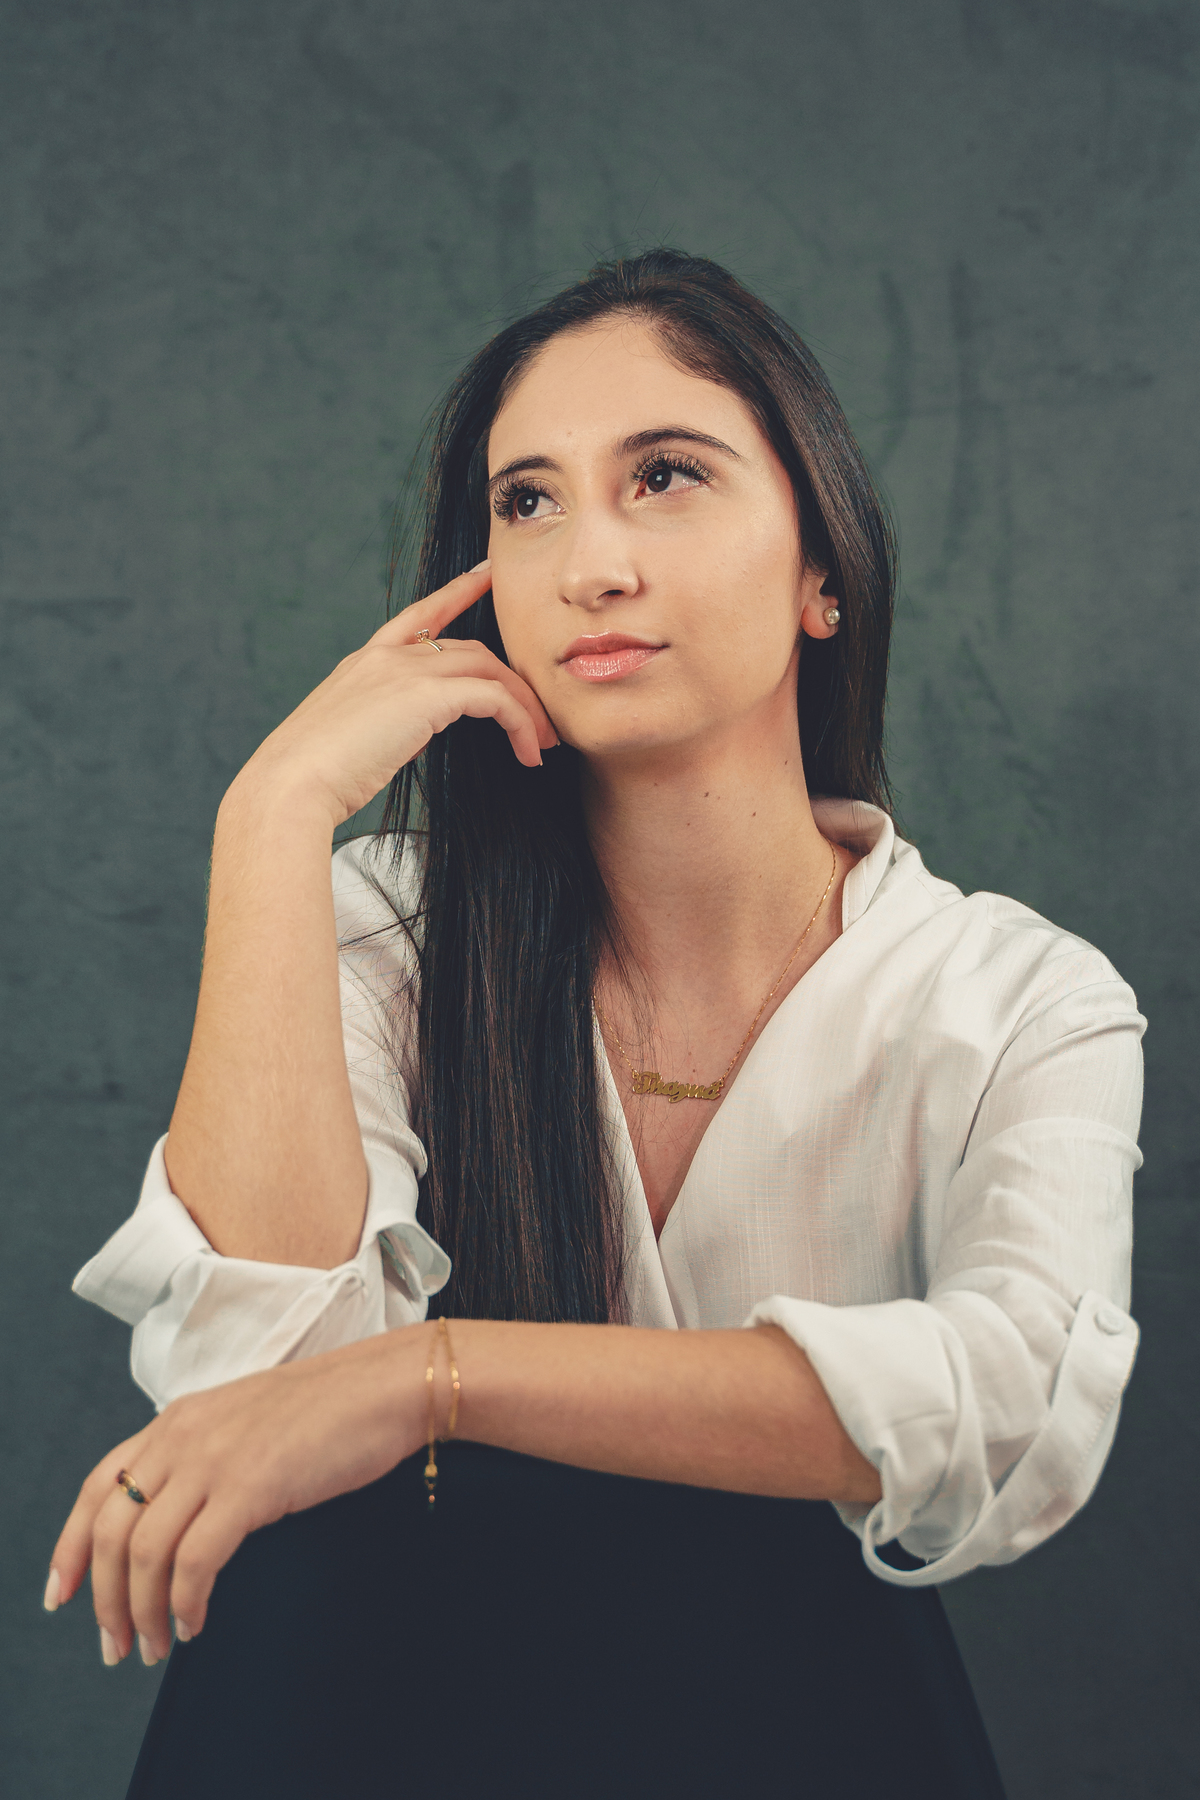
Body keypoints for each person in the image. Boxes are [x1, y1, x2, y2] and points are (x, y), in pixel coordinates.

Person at [45, 251, 1143, 1799]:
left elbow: (1009, 1408)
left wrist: (433, 1379)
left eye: (668, 477)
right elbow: (257, 1376)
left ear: (823, 568)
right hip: (358, 1718)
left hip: (798, 1729)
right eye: (529, 503)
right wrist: (270, 813)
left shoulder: (1019, 995)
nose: (589, 564)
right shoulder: (385, 918)